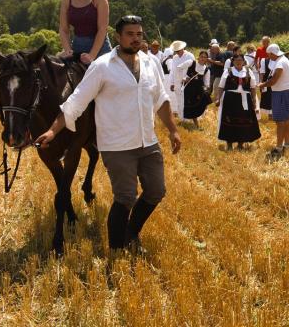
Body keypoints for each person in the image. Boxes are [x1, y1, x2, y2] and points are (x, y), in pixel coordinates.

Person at [36, 15, 181, 251]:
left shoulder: (149, 63)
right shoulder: (102, 66)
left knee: (156, 191)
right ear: (118, 37)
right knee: (125, 197)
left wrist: (173, 130)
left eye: (139, 34)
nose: (135, 39)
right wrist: (52, 131)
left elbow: (161, 99)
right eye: (130, 34)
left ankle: (130, 233)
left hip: (148, 141)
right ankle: (116, 250)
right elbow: (76, 101)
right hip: (117, 146)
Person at [58, 0, 111, 64]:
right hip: (77, 48)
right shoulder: (66, 1)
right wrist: (68, 51)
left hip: (100, 49)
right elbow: (64, 30)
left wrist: (92, 55)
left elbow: (102, 29)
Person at [216, 53, 261, 150]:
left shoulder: (248, 71)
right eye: (236, 60)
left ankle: (240, 143)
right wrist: (218, 98)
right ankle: (229, 144)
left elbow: (253, 88)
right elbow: (221, 86)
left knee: (242, 121)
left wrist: (254, 100)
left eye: (240, 60)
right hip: (230, 99)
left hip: (244, 100)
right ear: (233, 62)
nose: (238, 62)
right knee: (229, 120)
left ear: (244, 61)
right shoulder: (228, 71)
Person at [258, 43, 289, 157]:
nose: (268, 57)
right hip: (284, 92)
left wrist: (263, 85)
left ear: (272, 53)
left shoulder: (280, 63)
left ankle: (278, 147)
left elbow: (274, 80)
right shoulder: (283, 60)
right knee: (285, 120)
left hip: (280, 93)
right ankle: (286, 144)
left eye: (269, 55)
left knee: (280, 122)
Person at [182, 50, 212, 129]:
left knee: (198, 105)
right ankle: (193, 124)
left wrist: (205, 90)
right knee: (189, 106)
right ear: (198, 57)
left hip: (198, 90)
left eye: (205, 57)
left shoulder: (207, 70)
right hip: (189, 89)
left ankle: (195, 124)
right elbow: (183, 72)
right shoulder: (192, 64)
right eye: (201, 57)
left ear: (206, 59)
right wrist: (185, 78)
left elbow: (206, 83)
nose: (203, 58)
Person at [168, 41, 194, 119]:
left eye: (178, 50)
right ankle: (181, 118)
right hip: (177, 82)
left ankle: (188, 118)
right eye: (176, 51)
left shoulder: (190, 56)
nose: (177, 52)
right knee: (179, 101)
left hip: (187, 82)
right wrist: (172, 83)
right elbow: (172, 71)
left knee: (187, 100)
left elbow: (193, 69)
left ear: (182, 48)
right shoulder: (175, 58)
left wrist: (187, 77)